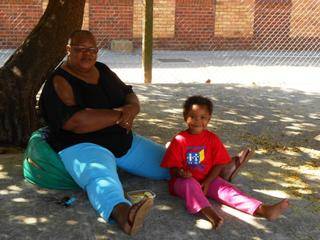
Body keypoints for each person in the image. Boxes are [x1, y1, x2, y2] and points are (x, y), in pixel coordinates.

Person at [39, 30, 170, 235]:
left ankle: (217, 170)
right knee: (101, 179)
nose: (86, 54)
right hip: (82, 145)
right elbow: (76, 122)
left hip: (121, 140)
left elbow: (129, 94)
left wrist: (131, 110)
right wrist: (119, 115)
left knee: (172, 162)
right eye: (79, 49)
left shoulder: (102, 70)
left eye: (91, 49)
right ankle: (125, 215)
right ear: (68, 50)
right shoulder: (59, 80)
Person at [160, 95, 289, 229]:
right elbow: (172, 168)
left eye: (202, 117)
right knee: (190, 184)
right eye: (192, 116)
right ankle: (210, 213)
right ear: (185, 116)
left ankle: (263, 210)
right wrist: (181, 173)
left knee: (227, 190)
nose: (197, 121)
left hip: (207, 179)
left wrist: (209, 181)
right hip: (182, 182)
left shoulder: (212, 139)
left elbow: (220, 163)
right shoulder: (179, 139)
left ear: (209, 119)